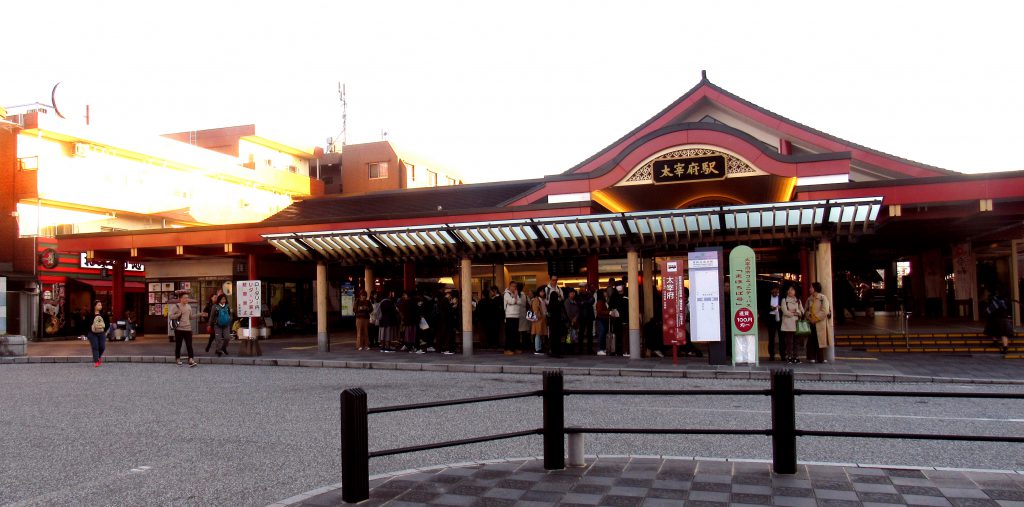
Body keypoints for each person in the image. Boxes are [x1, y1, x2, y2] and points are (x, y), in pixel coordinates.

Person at [168, 293, 198, 367]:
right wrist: (178, 315)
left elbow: (190, 317)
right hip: (179, 329)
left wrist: (200, 314)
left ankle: (191, 359)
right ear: (180, 299)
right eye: (185, 298)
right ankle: (177, 359)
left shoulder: (189, 306)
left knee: (189, 345)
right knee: (178, 345)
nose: (186, 299)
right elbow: (170, 316)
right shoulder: (176, 306)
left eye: (187, 298)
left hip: (188, 328)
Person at [805, 282, 832, 363]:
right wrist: (809, 316)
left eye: (811, 287)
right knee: (811, 340)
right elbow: (805, 310)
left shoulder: (823, 298)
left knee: (820, 341)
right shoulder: (809, 298)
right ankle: (811, 357)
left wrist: (815, 318)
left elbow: (825, 311)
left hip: (820, 324)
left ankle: (821, 358)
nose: (810, 289)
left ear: (815, 288)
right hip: (811, 323)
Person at [983, 289, 1014, 355]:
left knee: (993, 330)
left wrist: (986, 312)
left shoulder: (993, 300)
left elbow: (989, 310)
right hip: (1004, 318)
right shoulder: (1006, 301)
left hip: (995, 318)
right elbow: (1009, 309)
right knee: (1004, 334)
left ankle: (995, 342)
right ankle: (1005, 348)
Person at [780, 285, 804, 364]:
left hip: (796, 323)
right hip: (788, 324)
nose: (790, 291)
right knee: (789, 341)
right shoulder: (784, 300)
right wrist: (795, 313)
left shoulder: (798, 300)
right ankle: (789, 356)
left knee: (796, 342)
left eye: (792, 290)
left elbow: (802, 311)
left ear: (795, 291)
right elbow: (785, 312)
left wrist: (795, 312)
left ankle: (796, 357)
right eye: (789, 290)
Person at [762, 285, 784, 361]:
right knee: (771, 337)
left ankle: (783, 355)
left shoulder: (781, 298)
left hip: (779, 318)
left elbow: (784, 307)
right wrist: (770, 308)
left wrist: (781, 307)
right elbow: (763, 307)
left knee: (781, 337)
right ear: (771, 291)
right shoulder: (767, 297)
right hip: (771, 318)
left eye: (776, 291)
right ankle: (771, 355)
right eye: (773, 291)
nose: (775, 293)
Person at [85, 301, 109, 367]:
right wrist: (88, 331)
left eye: (101, 305)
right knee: (95, 346)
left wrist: (104, 330)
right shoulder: (90, 315)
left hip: (101, 332)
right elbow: (85, 323)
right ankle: (96, 361)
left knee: (102, 347)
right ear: (95, 306)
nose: (100, 306)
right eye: (98, 305)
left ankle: (98, 357)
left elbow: (107, 323)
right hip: (92, 333)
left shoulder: (104, 314)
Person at [502, 281, 522, 355]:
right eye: (513, 286)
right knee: (509, 333)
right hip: (509, 316)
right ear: (509, 286)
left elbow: (520, 302)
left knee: (515, 333)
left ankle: (514, 348)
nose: (514, 288)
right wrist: (515, 299)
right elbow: (511, 301)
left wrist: (515, 299)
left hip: (516, 315)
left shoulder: (516, 294)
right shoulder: (506, 294)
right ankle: (507, 349)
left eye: (515, 286)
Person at [547, 290, 566, 358]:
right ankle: (557, 352)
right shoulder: (558, 303)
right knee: (558, 337)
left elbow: (548, 311)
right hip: (558, 322)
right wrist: (560, 297)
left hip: (552, 322)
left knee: (552, 337)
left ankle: (552, 351)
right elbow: (563, 306)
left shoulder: (550, 303)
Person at [531, 287, 548, 355]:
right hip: (538, 319)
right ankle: (537, 349)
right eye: (541, 292)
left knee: (540, 334)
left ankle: (539, 348)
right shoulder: (536, 299)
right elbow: (535, 310)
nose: (542, 293)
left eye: (543, 292)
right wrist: (539, 315)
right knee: (538, 334)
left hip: (542, 319)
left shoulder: (543, 300)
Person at [517, 282, 532, 354]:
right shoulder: (525, 296)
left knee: (517, 332)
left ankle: (518, 345)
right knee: (524, 332)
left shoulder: (515, 295)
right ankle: (525, 345)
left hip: (516, 314)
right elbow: (529, 304)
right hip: (524, 314)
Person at [564, 289, 580, 354]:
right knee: (569, 335)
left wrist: (576, 318)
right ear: (568, 294)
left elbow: (578, 310)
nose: (573, 295)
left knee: (574, 335)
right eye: (571, 293)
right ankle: (568, 349)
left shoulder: (575, 301)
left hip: (575, 321)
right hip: (569, 321)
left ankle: (572, 349)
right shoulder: (567, 301)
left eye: (573, 293)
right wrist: (571, 320)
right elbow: (567, 312)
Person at [595, 290, 610, 356]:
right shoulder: (600, 301)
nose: (606, 293)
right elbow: (599, 311)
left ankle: (602, 349)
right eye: (605, 292)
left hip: (603, 319)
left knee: (603, 334)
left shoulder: (604, 301)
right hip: (600, 319)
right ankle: (600, 349)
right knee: (601, 334)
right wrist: (608, 312)